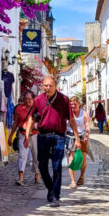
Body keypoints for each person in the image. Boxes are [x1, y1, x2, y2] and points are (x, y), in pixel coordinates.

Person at [25, 74, 80, 206]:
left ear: (56, 86)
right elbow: (32, 119)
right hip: (42, 136)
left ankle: (55, 196)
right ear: (42, 86)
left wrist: (77, 138)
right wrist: (27, 136)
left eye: (50, 85)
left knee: (56, 166)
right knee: (42, 165)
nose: (48, 88)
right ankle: (51, 187)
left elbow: (71, 120)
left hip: (59, 136)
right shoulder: (38, 100)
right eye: (45, 85)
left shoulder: (64, 100)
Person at [9, 90, 40, 186]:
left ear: (33, 99)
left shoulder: (38, 109)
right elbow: (15, 123)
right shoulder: (19, 108)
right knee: (22, 155)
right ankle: (21, 177)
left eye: (30, 99)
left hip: (34, 135)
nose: (28, 101)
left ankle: (37, 175)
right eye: (26, 99)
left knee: (36, 156)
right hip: (22, 134)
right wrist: (10, 136)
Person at [67, 96, 90, 189]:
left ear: (79, 104)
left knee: (82, 159)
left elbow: (87, 125)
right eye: (71, 104)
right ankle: (72, 181)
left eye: (74, 104)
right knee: (71, 158)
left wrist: (87, 135)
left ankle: (82, 176)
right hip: (70, 136)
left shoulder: (84, 113)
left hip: (81, 137)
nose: (73, 105)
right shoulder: (68, 113)